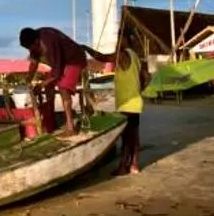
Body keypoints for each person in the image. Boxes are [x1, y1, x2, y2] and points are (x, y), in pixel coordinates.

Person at [20, 26, 109, 136]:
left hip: (74, 59)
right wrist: (29, 79)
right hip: (62, 62)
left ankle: (70, 127)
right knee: (49, 87)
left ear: (36, 42)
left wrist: (42, 84)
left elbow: (57, 72)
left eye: (31, 48)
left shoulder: (48, 42)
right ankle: (51, 122)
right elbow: (34, 62)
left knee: (63, 87)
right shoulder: (35, 39)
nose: (30, 51)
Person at [113, 37, 149, 175]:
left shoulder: (124, 54)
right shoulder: (135, 56)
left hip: (127, 104)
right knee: (133, 136)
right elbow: (146, 76)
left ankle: (123, 167)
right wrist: (140, 90)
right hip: (133, 102)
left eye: (120, 40)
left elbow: (103, 57)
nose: (117, 43)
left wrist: (87, 49)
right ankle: (134, 165)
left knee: (127, 138)